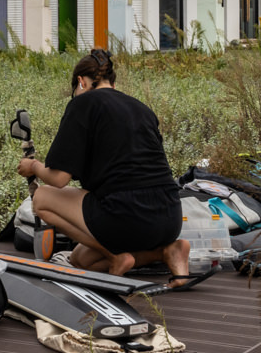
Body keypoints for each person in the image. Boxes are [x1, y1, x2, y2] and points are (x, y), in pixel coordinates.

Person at [17, 48, 193, 285]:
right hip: (169, 217)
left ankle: (116, 256)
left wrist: (33, 166)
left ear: (81, 82)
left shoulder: (83, 104)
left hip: (125, 216)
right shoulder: (141, 107)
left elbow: (59, 179)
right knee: (81, 259)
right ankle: (167, 252)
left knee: (41, 198)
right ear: (111, 80)